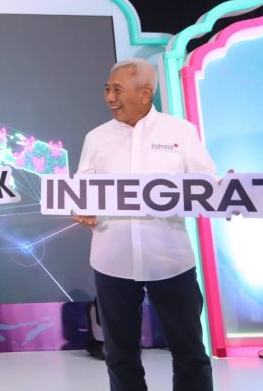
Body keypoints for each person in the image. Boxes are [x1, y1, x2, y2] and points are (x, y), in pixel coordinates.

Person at [73, 58, 215, 391]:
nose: (110, 97)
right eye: (107, 89)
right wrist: (82, 209)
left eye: (117, 90)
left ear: (145, 93)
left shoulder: (180, 132)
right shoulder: (96, 138)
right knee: (119, 356)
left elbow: (206, 182)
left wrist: (228, 193)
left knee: (190, 352)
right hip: (112, 260)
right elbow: (82, 189)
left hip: (170, 260)